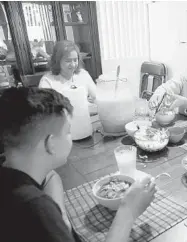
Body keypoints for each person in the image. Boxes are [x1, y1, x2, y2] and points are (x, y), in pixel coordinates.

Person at [0, 87, 156, 242]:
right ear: (51, 144)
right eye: (68, 131)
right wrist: (127, 212)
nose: (71, 135)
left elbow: (49, 176)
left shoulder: (13, 167)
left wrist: (60, 219)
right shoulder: (35, 211)